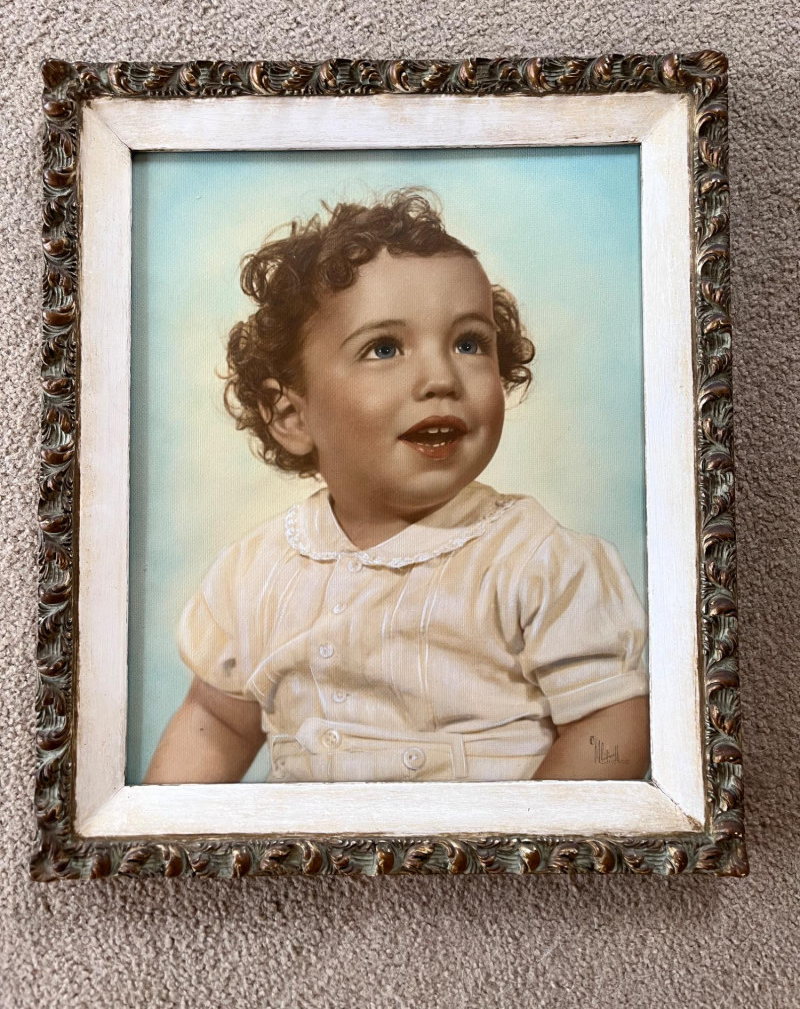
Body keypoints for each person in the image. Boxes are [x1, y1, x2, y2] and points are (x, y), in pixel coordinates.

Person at [145, 189, 649, 785]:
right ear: (292, 415)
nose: (441, 378)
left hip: (486, 846)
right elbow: (215, 723)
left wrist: (527, 834)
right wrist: (161, 829)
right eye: (384, 349)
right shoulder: (253, 575)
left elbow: (611, 725)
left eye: (469, 343)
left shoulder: (535, 561)